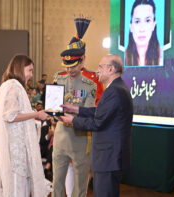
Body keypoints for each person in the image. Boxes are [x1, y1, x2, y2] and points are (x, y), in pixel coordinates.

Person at [60, 54, 133, 197]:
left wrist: (73, 121)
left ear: (110, 69)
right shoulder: (117, 87)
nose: (97, 70)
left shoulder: (115, 90)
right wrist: (76, 109)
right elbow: (101, 112)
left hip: (108, 157)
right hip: (111, 157)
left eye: (100, 66)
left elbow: (98, 122)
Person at [0, 54, 52, 197]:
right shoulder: (13, 86)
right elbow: (10, 116)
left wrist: (32, 113)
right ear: (20, 69)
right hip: (15, 152)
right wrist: (36, 115)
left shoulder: (12, 85)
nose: (31, 75)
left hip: (17, 148)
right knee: (17, 189)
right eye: (29, 70)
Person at [52, 17, 103, 197]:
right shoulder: (58, 79)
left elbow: (89, 113)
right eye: (67, 66)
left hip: (80, 136)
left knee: (81, 183)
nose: (69, 70)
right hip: (60, 135)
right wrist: (54, 114)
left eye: (73, 66)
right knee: (57, 180)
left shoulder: (91, 84)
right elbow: (52, 106)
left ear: (81, 62)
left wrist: (72, 119)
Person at [125, 0, 163, 66]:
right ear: (131, 26)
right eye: (137, 21)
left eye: (147, 21)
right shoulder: (122, 58)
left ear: (154, 25)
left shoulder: (164, 57)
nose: (142, 29)